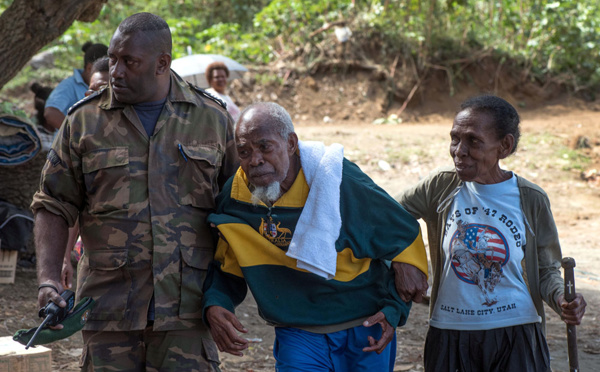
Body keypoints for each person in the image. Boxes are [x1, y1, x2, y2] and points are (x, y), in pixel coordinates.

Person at [31, 12, 238, 371]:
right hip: (109, 312)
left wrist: (224, 295)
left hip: (188, 313)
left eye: (129, 61)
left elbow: (237, 211)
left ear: (162, 63)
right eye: (112, 58)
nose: (116, 71)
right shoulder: (84, 121)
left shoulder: (212, 120)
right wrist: (48, 279)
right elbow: (52, 203)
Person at [201, 102, 428, 371]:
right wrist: (215, 304)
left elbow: (403, 235)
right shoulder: (235, 198)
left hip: (366, 327)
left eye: (265, 146)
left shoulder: (339, 181)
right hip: (299, 331)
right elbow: (227, 264)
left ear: (291, 143)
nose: (255, 160)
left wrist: (394, 310)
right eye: (244, 151)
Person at [396, 95, 587, 371]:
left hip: (517, 334)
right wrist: (405, 261)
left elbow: (546, 271)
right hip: (450, 331)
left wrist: (562, 299)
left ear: (505, 146)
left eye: (473, 141)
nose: (459, 151)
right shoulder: (440, 186)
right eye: (454, 138)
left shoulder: (530, 199)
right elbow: (387, 218)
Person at [59, 56, 111, 291]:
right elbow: (71, 205)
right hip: (98, 266)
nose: (92, 99)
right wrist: (64, 257)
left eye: (101, 91)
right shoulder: (79, 134)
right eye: (89, 91)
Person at [43, 41, 108, 131]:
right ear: (89, 68)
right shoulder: (69, 86)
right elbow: (50, 113)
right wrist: (77, 133)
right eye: (103, 71)